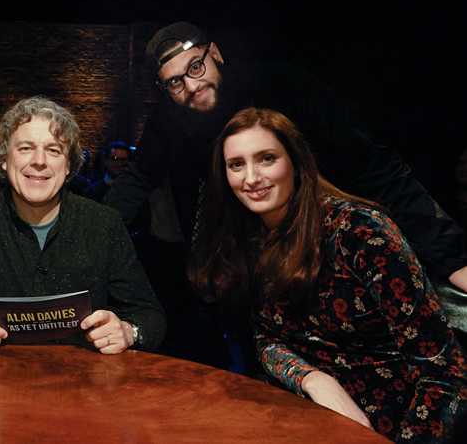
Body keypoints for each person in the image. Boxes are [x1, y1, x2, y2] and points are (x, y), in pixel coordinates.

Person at [105, 21, 467, 296]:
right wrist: (80, 238)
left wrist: (451, 257)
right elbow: (134, 181)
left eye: (195, 67)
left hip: (319, 250)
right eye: (175, 82)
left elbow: (374, 166)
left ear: (215, 53)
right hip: (242, 270)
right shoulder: (168, 119)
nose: (191, 85)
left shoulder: (284, 86)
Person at [189, 108, 467, 442]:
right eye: (237, 164)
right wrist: (314, 380)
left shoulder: (359, 232)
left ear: (295, 162)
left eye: (266, 158)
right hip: (311, 415)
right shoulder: (248, 239)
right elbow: (266, 340)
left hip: (397, 424)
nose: (250, 178)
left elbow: (446, 373)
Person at [0, 96, 166, 353]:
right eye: (25, 148)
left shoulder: (103, 223)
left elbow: (151, 316)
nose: (39, 161)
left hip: (85, 382)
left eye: (53, 150)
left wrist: (130, 331)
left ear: (68, 166)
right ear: (5, 160)